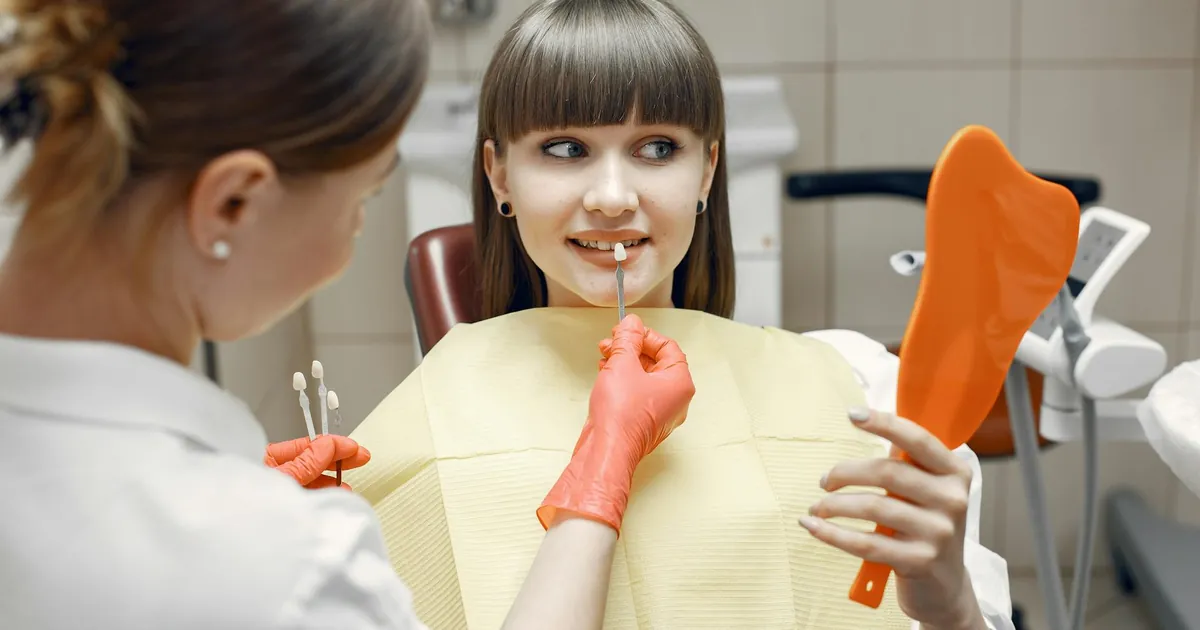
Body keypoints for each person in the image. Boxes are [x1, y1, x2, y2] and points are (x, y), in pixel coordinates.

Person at [292, 0, 1017, 628]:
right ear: (499, 174)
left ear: (705, 171)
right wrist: (297, 561)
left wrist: (951, 608)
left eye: (657, 148)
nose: (612, 195)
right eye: (565, 148)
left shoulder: (861, 390)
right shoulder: (417, 427)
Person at [0, 1, 697, 629]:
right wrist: (602, 468)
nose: (612, 196)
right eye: (362, 200)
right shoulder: (286, 567)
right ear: (234, 202)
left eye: (658, 149)